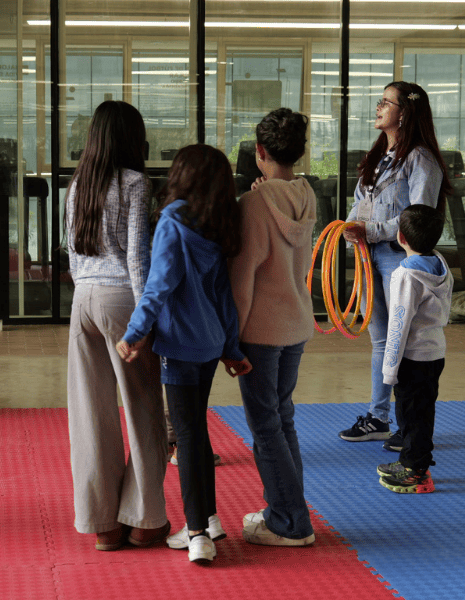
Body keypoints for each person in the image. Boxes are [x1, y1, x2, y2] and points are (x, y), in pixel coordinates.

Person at [117, 144, 252, 564]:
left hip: (177, 343)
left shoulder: (173, 220)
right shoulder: (217, 225)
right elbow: (223, 296)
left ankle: (196, 535)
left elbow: (159, 285)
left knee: (188, 435)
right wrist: (231, 348)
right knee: (197, 429)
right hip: (210, 345)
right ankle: (208, 519)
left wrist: (134, 333)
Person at [63, 101, 171, 552]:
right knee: (144, 407)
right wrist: (147, 314)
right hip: (123, 300)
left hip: (82, 300)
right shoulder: (135, 183)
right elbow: (137, 255)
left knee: (90, 413)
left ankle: (101, 523)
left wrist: (85, 290)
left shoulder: (76, 185)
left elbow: (69, 252)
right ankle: (145, 519)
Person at [339, 81, 453, 453]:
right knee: (381, 340)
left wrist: (368, 230)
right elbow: (362, 202)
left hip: (397, 258)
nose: (378, 107)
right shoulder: (379, 157)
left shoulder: (420, 160)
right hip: (370, 256)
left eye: (386, 102)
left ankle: (408, 425)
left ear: (404, 113)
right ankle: (378, 418)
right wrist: (351, 227)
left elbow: (417, 219)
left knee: (403, 341)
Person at [229, 108, 317, 547]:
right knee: (282, 421)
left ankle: (290, 521)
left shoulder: (252, 205)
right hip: (296, 325)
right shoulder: (305, 194)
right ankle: (286, 511)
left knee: (265, 427)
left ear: (259, 152)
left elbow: (242, 283)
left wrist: (232, 342)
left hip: (260, 333)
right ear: (300, 153)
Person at [375, 204, 452, 494]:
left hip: (412, 356)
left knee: (412, 415)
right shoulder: (440, 263)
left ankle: (416, 471)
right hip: (434, 352)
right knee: (418, 412)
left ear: (400, 237)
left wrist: (389, 369)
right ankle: (410, 461)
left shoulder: (405, 275)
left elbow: (399, 325)